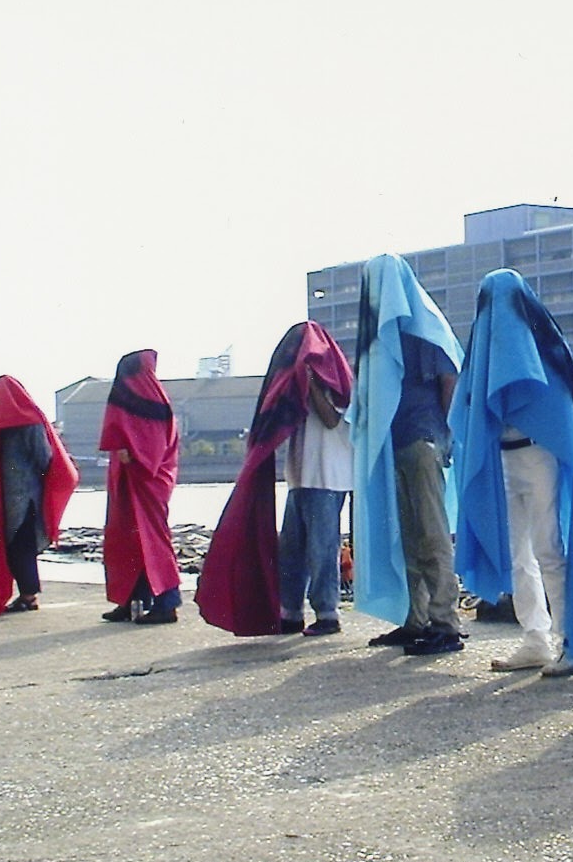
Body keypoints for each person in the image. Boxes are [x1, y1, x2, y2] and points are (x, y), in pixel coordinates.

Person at [450, 269, 573, 676]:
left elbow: (560, 410)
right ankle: (535, 639)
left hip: (537, 456)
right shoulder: (489, 351)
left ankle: (568, 640)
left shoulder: (542, 347)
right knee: (518, 553)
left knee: (547, 548)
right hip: (504, 458)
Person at [196, 321, 353, 636]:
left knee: (322, 548)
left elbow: (331, 419)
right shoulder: (298, 384)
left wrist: (310, 381)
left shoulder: (337, 380)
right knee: (292, 550)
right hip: (302, 475)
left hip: (328, 477)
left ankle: (327, 613)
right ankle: (290, 611)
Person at [350, 253, 466, 656]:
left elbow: (450, 379)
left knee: (431, 534)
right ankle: (417, 619)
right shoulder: (393, 330)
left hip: (419, 439)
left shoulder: (418, 328)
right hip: (398, 443)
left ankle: (445, 623)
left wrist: (446, 435)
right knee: (410, 537)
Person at [0, 376, 78, 618]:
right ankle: (28, 594)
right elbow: (44, 457)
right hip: (26, 495)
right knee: (22, 546)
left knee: (17, 546)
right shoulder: (30, 421)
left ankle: (28, 595)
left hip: (9, 498)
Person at [99, 350, 183, 625]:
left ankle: (167, 603)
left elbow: (153, 448)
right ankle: (133, 599)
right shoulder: (148, 396)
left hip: (147, 479)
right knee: (128, 538)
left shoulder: (151, 400)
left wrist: (132, 454)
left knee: (153, 538)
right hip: (133, 477)